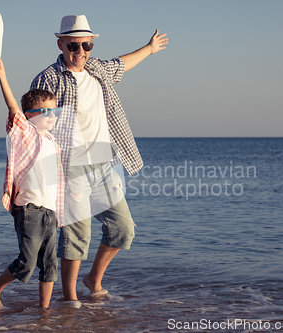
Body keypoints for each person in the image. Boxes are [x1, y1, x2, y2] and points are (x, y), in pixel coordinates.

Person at [30, 15, 168, 303]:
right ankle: (70, 299)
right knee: (77, 238)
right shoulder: (48, 78)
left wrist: (149, 48)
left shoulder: (96, 69)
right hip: (71, 167)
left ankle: (93, 278)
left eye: (87, 45)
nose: (80, 51)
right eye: (74, 45)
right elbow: (36, 124)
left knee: (123, 229)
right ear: (61, 43)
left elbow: (122, 64)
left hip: (104, 163)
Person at [0, 58, 64, 310]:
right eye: (45, 111)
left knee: (50, 264)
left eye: (55, 111)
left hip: (49, 212)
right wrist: (1, 75)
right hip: (29, 209)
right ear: (29, 116)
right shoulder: (25, 134)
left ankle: (44, 311)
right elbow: (12, 107)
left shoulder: (53, 142)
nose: (52, 116)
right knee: (27, 262)